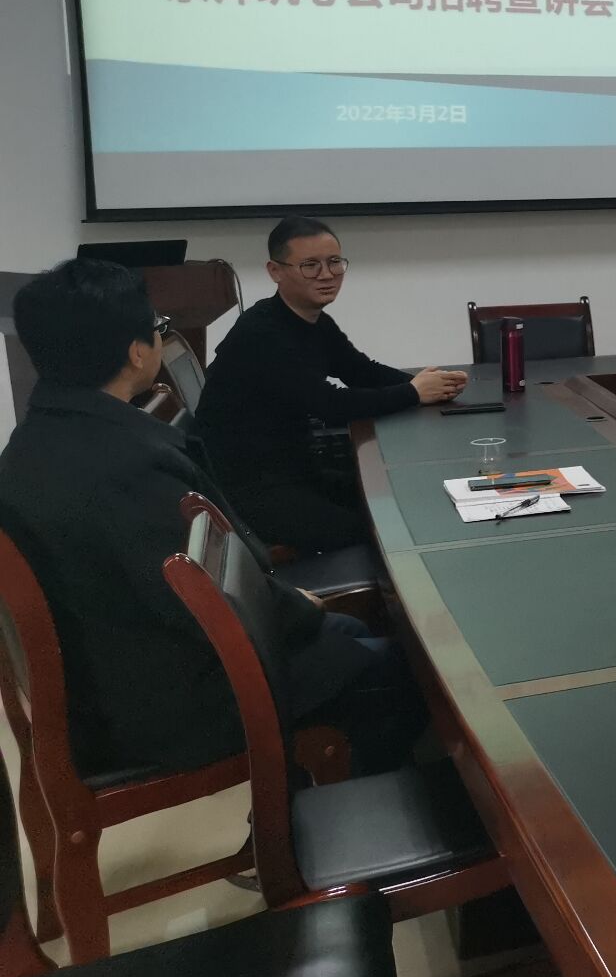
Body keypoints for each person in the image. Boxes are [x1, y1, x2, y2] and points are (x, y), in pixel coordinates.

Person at [0, 259, 425, 778]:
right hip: (170, 700)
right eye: (158, 328)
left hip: (122, 669)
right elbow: (199, 594)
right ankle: (361, 808)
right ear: (137, 352)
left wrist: (292, 605)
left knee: (358, 636)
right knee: (406, 673)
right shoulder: (121, 468)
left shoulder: (33, 445)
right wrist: (296, 606)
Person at [196, 217, 468, 555]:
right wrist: (413, 392)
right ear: (275, 271)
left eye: (334, 262)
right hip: (253, 492)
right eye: (310, 265)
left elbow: (361, 371)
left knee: (408, 498)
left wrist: (431, 384)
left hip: (298, 471)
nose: (326, 275)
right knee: (390, 527)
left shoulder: (314, 321)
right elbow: (330, 406)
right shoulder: (263, 332)